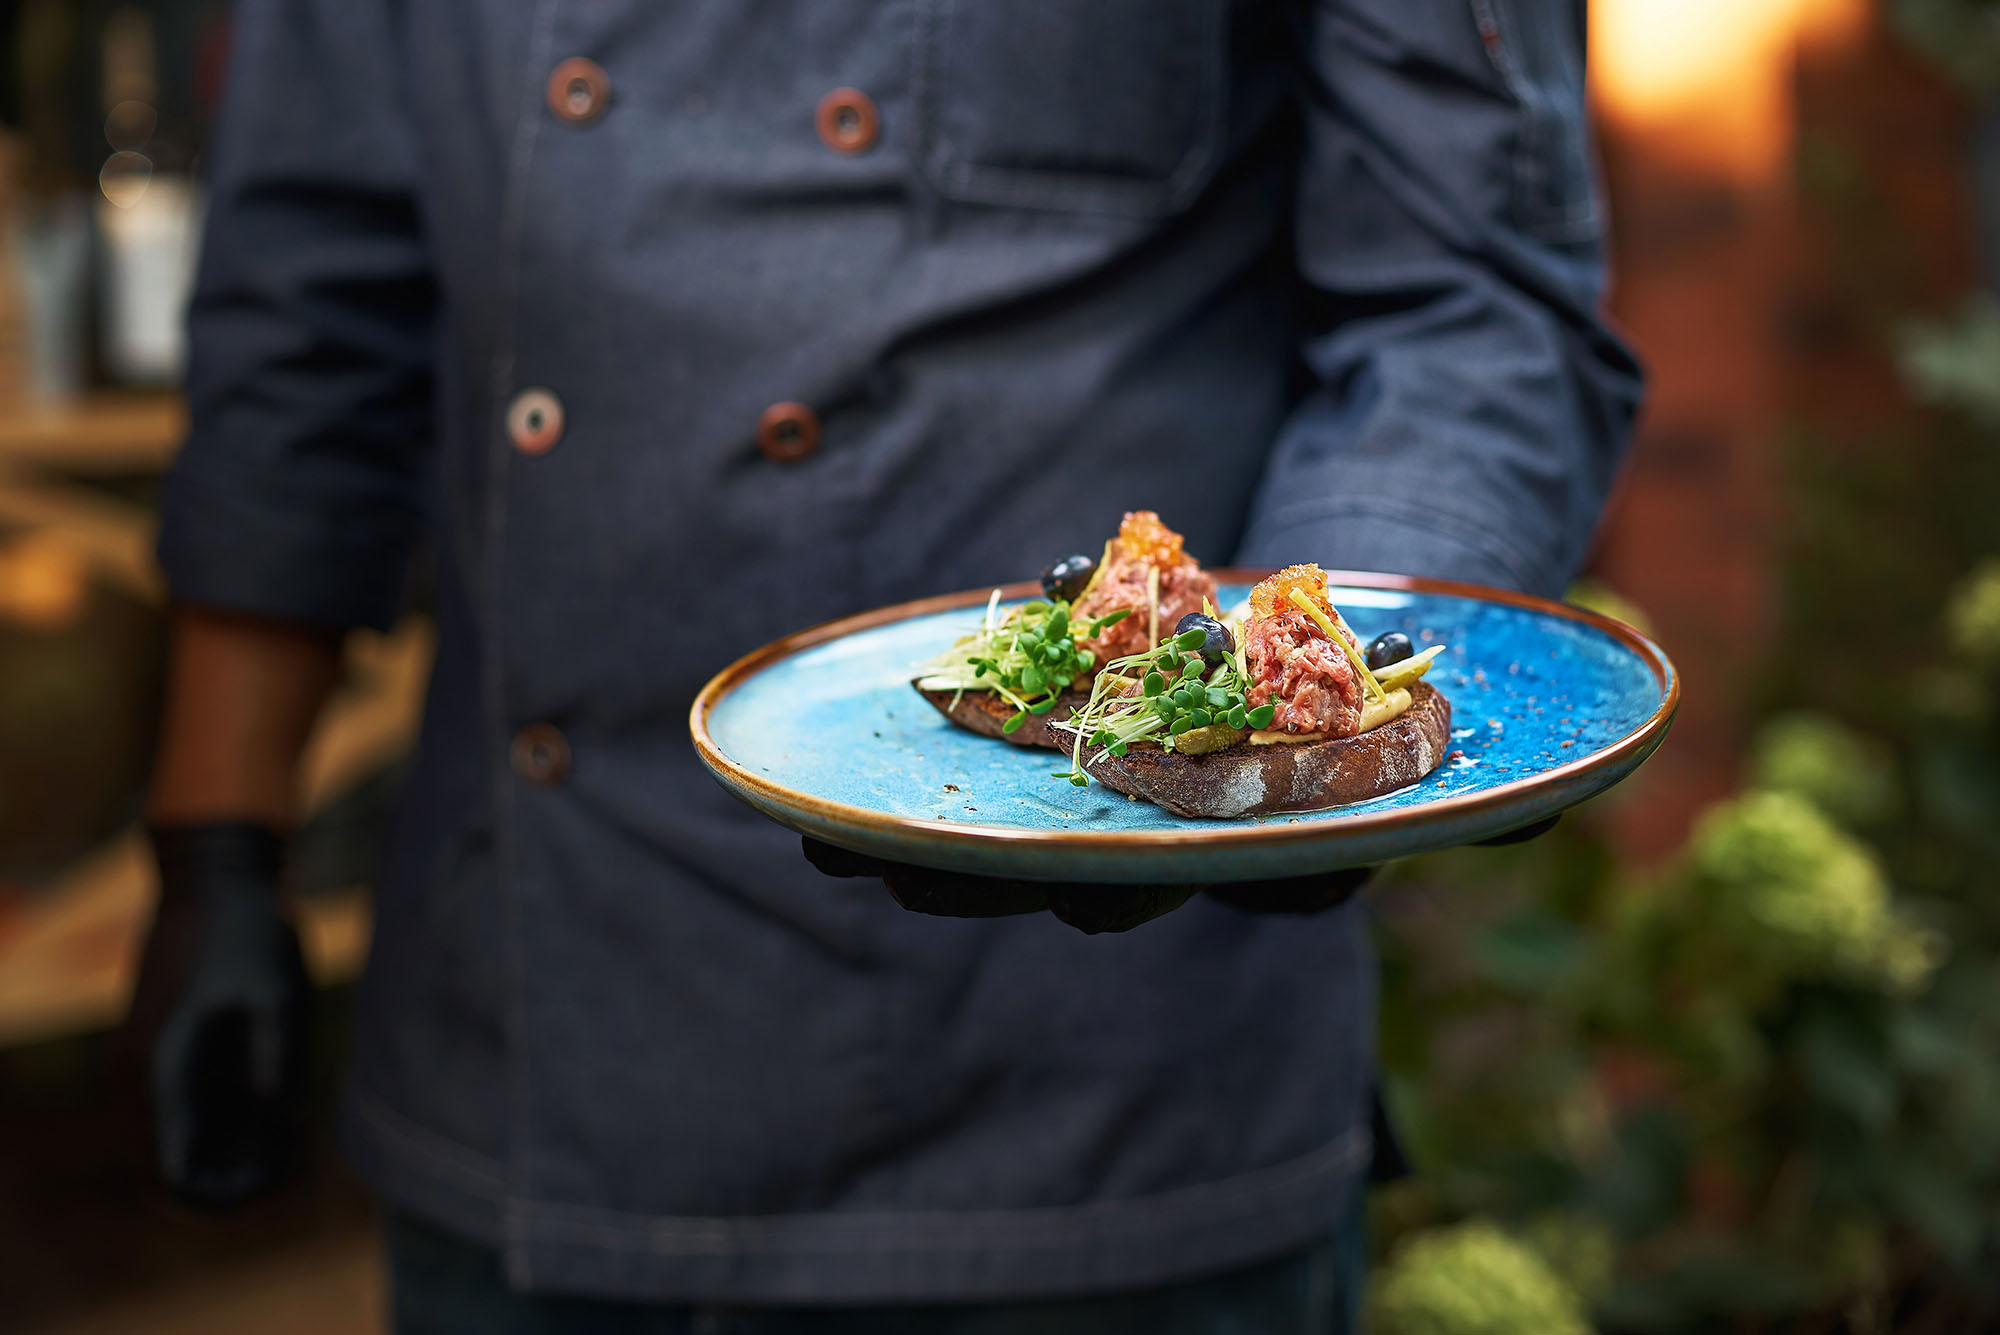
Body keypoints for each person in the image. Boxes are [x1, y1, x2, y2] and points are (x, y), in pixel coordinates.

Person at [126, 0, 1641, 1329]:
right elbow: (311, 315)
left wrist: (1297, 734)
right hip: (533, 1045)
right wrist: (215, 846)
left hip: (1104, 1114)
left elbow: (1473, 302)